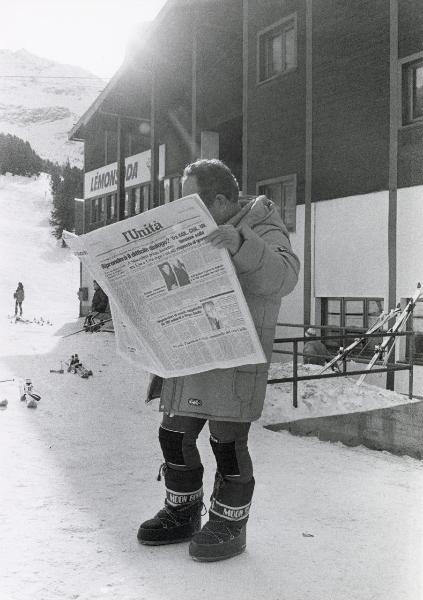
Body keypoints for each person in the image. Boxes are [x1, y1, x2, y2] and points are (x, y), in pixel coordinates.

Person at [137, 159, 300, 562]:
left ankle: (230, 524)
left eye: (192, 201)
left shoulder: (262, 222)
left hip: (233, 359)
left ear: (222, 200)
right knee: (172, 435)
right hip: (190, 352)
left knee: (226, 445)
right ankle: (183, 512)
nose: (183, 209)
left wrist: (241, 244)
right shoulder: (188, 230)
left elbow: (284, 278)